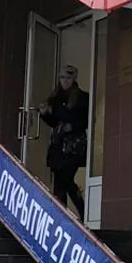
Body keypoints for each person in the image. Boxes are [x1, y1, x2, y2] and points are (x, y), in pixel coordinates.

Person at [40, 65, 90, 217]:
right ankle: (61, 216)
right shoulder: (55, 98)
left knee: (66, 179)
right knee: (59, 183)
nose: (65, 81)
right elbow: (54, 122)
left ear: (73, 79)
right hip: (58, 145)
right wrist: (45, 114)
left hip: (73, 146)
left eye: (68, 78)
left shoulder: (82, 97)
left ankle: (82, 213)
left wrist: (72, 125)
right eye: (62, 78)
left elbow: (86, 120)